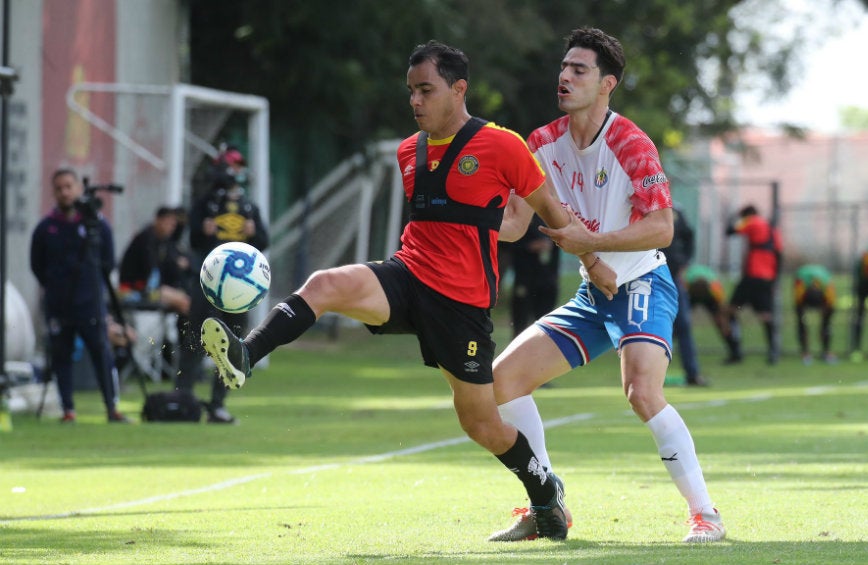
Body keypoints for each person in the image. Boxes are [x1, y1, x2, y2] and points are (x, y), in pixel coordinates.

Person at [200, 40, 614, 540]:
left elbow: (550, 213)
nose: (415, 101)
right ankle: (246, 354)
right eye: (410, 92)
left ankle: (545, 495)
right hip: (407, 273)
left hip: (461, 303)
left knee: (481, 424)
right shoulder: (408, 151)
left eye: (426, 90)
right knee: (327, 283)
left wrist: (592, 260)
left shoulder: (503, 145)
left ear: (458, 90)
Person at [489, 28, 725, 543]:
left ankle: (706, 514)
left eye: (580, 69)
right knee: (503, 380)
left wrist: (589, 240)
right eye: (564, 67)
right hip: (593, 295)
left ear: (607, 83)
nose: (565, 77)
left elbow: (662, 227)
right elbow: (512, 224)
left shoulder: (631, 143)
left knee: (642, 392)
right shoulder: (540, 144)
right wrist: (463, 211)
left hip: (642, 281)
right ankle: (547, 502)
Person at [29, 167, 130, 423]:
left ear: (78, 188)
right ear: (53, 192)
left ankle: (112, 407)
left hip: (90, 303)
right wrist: (54, 286)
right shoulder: (46, 227)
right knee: (61, 356)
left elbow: (108, 261)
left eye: (68, 186)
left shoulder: (96, 224)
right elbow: (36, 265)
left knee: (101, 352)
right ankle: (68, 410)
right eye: (59, 188)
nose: (64, 192)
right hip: (58, 304)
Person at [179, 146, 269, 424]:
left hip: (238, 288)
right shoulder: (205, 203)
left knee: (232, 344)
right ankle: (183, 401)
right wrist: (201, 232)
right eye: (234, 165)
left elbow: (263, 242)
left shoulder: (249, 206)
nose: (237, 172)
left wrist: (255, 234)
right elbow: (192, 241)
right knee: (194, 339)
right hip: (207, 282)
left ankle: (218, 404)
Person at [723, 204, 783, 364]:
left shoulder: (752, 221)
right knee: (766, 315)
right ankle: (773, 352)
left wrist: (734, 217)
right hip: (768, 277)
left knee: (730, 311)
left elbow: (730, 231)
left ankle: (736, 352)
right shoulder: (771, 228)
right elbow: (779, 253)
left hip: (752, 275)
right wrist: (775, 279)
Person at [660, 208, 708, 386]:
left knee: (683, 326)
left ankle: (692, 374)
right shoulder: (641, 209)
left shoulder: (677, 212)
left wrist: (685, 262)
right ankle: (651, 376)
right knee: (654, 327)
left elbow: (689, 237)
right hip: (649, 280)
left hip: (673, 279)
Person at [118, 206, 192, 316]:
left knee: (184, 298)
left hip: (147, 288)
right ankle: (187, 332)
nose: (171, 228)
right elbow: (151, 271)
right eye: (168, 223)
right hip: (133, 290)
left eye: (173, 225)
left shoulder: (162, 241)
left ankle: (183, 332)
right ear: (158, 220)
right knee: (184, 302)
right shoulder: (146, 238)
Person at [507, 214, 561, 340]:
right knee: (520, 322)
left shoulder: (552, 217)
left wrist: (550, 245)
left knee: (545, 322)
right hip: (525, 279)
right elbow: (509, 246)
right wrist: (530, 246)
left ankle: (542, 354)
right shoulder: (521, 215)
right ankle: (517, 354)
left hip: (548, 280)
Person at [793, 264, 837, 365]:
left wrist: (825, 313)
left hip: (823, 278)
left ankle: (826, 352)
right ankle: (805, 352)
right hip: (802, 275)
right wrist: (802, 315)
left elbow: (830, 307)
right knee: (801, 320)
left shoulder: (829, 289)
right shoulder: (800, 287)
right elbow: (799, 306)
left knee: (826, 323)